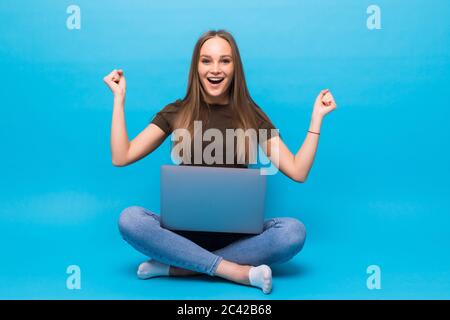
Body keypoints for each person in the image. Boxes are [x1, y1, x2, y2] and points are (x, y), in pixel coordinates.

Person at [103, 30, 337, 294]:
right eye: (207, 61)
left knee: (293, 232)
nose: (215, 69)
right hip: (182, 234)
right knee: (130, 219)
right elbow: (121, 156)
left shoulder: (250, 114)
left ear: (235, 67)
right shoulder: (177, 111)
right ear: (196, 67)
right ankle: (235, 271)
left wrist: (317, 119)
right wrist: (118, 100)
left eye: (225, 60)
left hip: (238, 237)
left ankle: (179, 266)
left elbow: (298, 170)